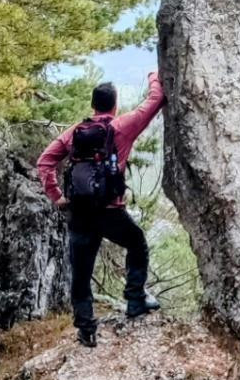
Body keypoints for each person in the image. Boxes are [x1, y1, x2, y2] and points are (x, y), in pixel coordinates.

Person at [36, 72, 165, 347]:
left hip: (79, 213)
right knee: (137, 244)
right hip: (110, 212)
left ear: (93, 105)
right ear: (114, 105)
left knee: (81, 274)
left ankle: (86, 330)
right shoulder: (121, 127)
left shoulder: (75, 133)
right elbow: (155, 101)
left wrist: (57, 196)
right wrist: (155, 76)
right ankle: (135, 299)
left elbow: (45, 162)